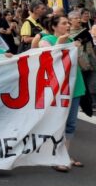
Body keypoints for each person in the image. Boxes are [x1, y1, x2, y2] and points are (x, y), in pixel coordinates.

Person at [34, 15, 86, 171]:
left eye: (68, 23)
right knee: (57, 123)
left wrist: (78, 50)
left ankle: (64, 155)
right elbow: (49, 60)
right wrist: (61, 43)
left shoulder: (72, 41)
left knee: (70, 124)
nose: (68, 26)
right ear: (54, 27)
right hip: (56, 88)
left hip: (74, 86)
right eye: (64, 23)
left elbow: (81, 64)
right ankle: (54, 155)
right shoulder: (46, 40)